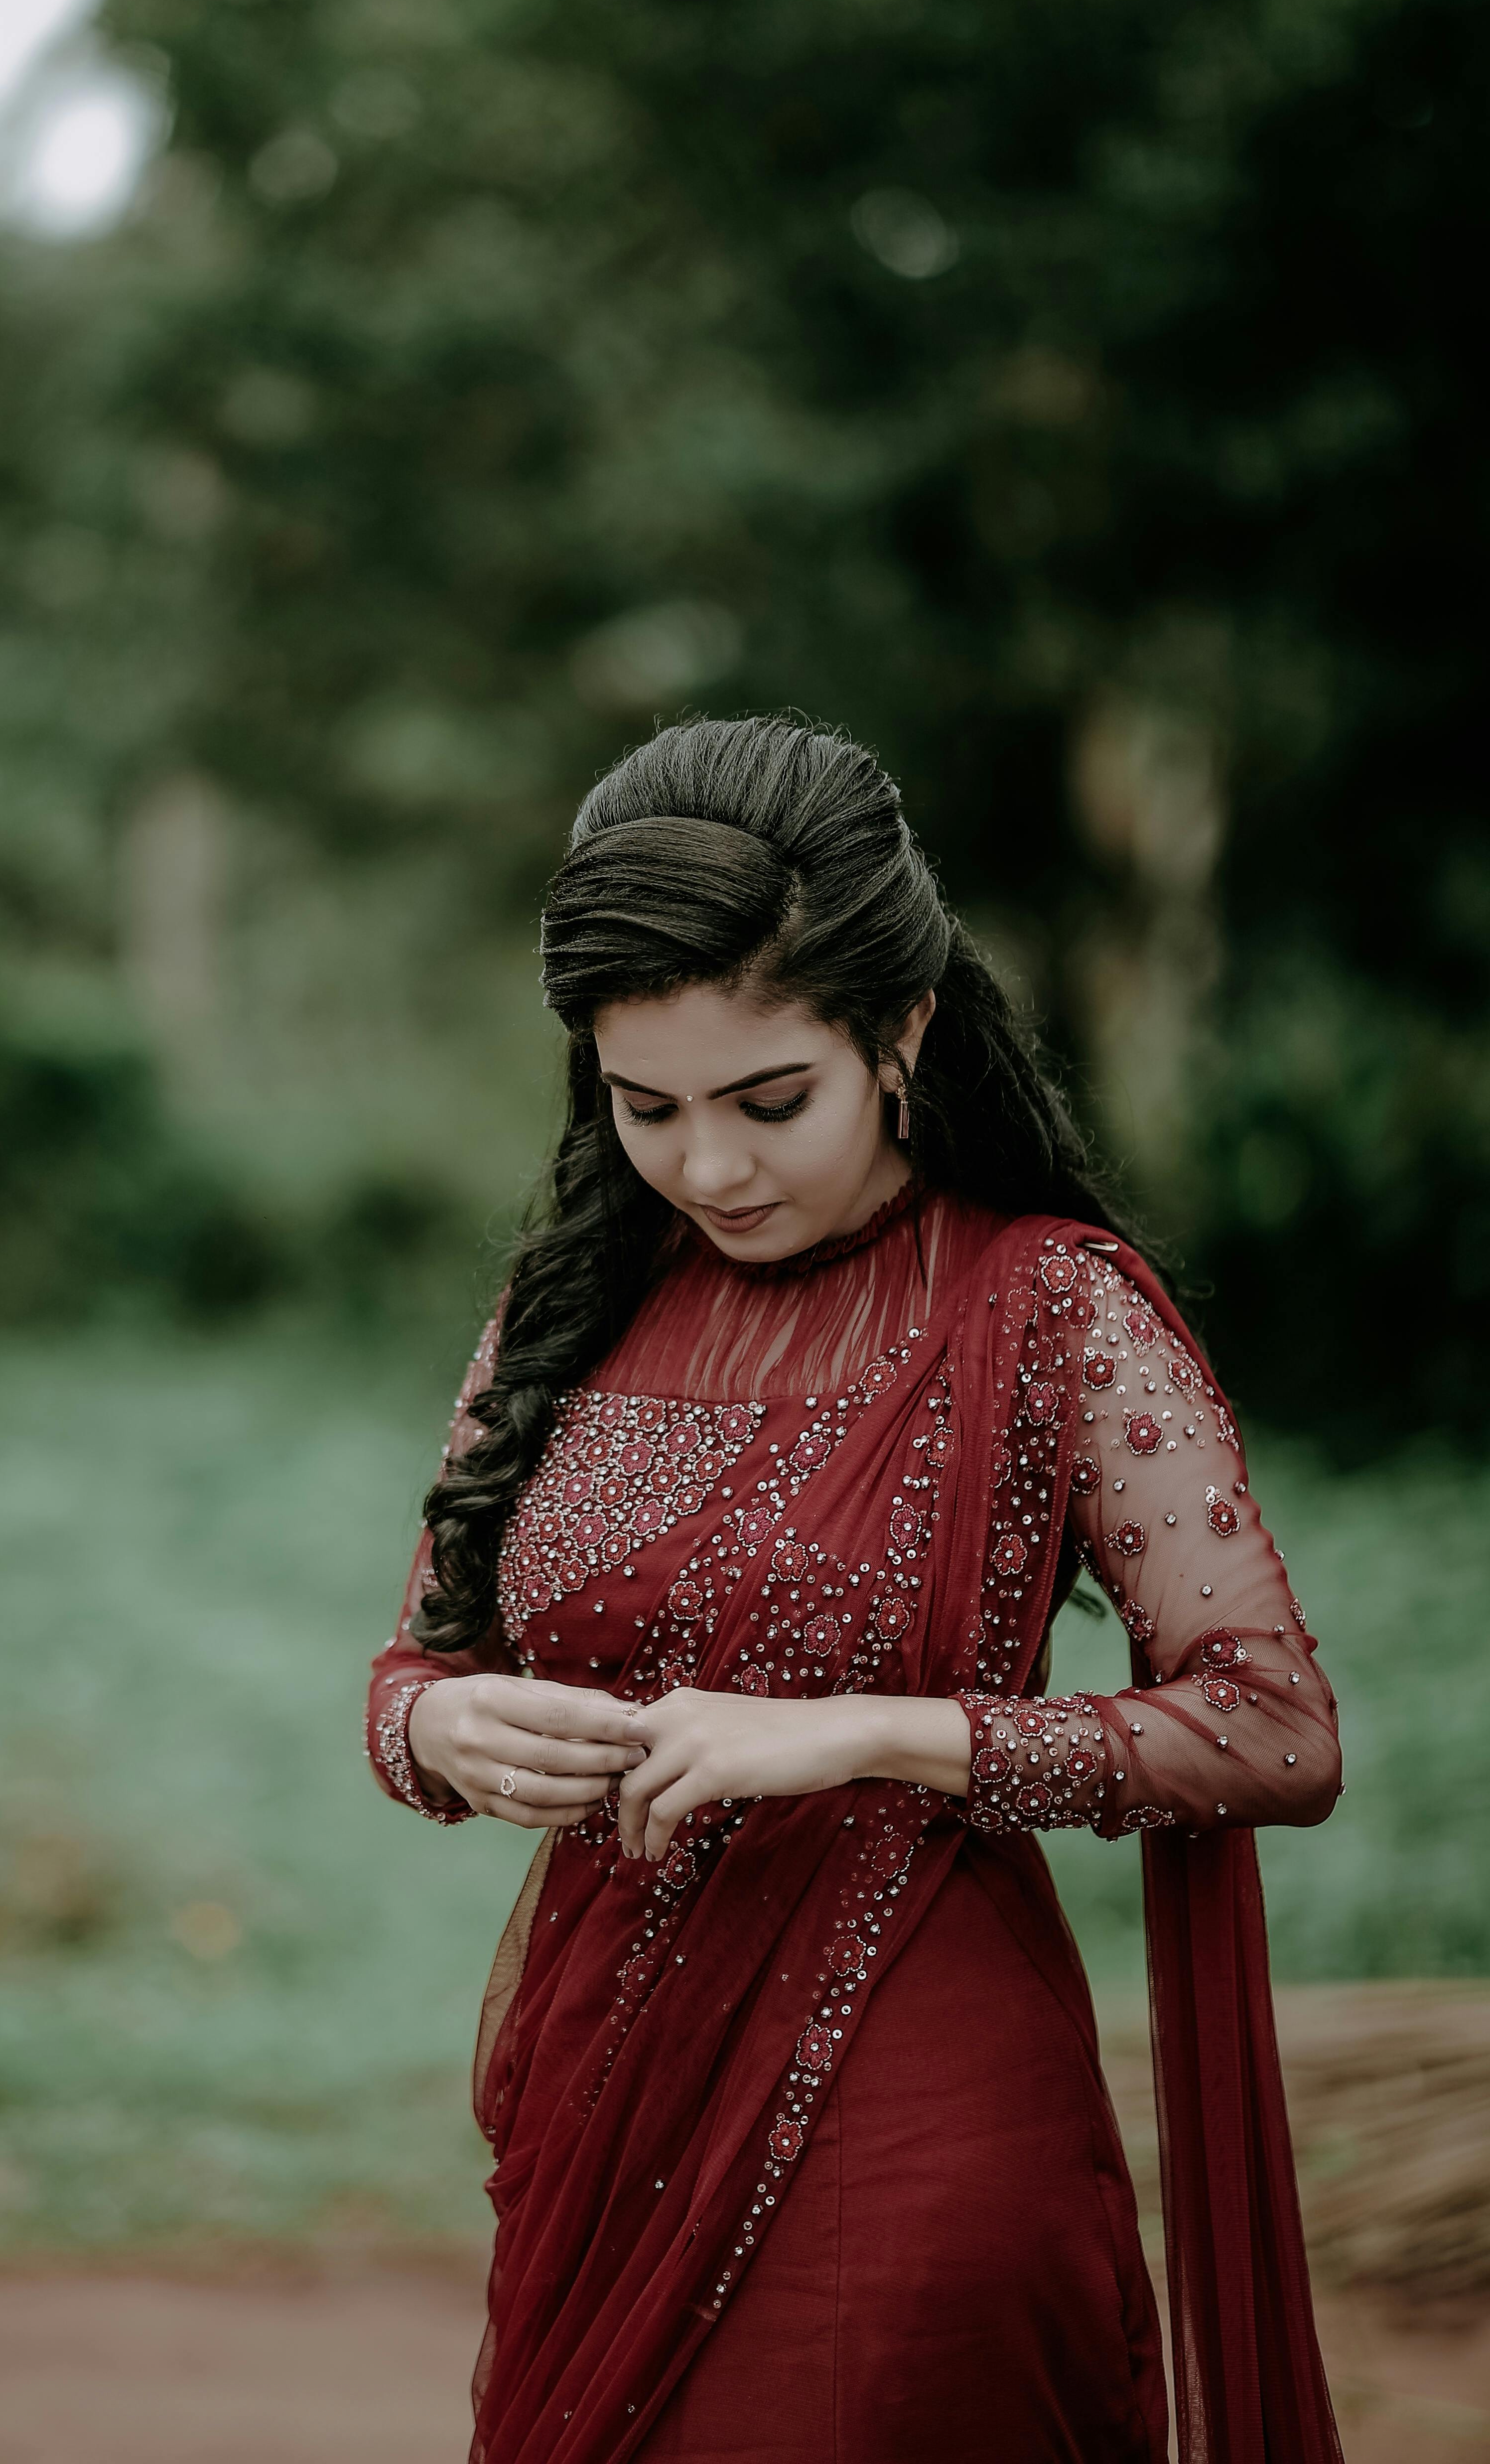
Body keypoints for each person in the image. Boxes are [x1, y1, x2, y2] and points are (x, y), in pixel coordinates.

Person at [365, 717, 1344, 2464]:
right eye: (644, 1106)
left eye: (769, 1102)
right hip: (603, 2110)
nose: (713, 1169)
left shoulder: (1049, 1307)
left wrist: (864, 1737)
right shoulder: (574, 1304)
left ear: (901, 1030)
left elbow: (1270, 1731)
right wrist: (435, 1725)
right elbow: (423, 1658)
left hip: (913, 2111)